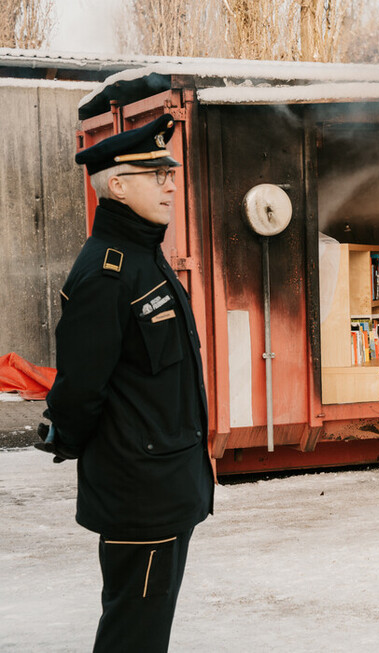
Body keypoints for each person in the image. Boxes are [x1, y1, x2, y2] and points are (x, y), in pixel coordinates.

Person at [37, 113, 214, 653]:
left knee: (147, 626)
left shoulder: (144, 256)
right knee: (133, 633)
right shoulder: (106, 273)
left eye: (169, 171)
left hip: (167, 482)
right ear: (117, 185)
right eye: (155, 173)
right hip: (140, 490)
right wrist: (63, 438)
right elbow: (79, 389)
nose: (170, 182)